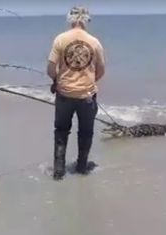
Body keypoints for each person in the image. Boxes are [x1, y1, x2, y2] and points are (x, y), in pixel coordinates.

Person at [47, 6, 105, 180]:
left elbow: (51, 68)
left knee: (61, 131)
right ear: (86, 20)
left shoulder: (60, 39)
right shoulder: (94, 42)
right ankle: (81, 168)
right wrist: (88, 83)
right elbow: (101, 71)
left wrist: (57, 81)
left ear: (70, 19)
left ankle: (58, 171)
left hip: (64, 95)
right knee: (86, 133)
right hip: (86, 96)